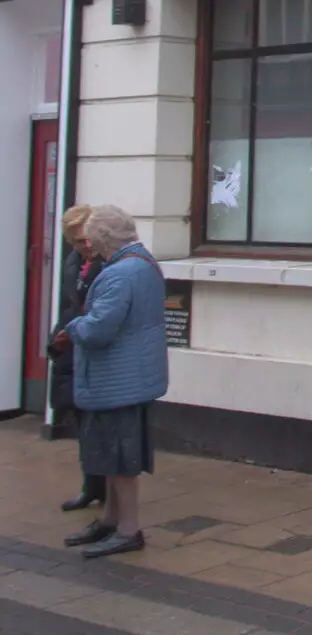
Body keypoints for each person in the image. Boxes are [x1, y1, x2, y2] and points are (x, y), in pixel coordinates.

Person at [59, 206, 169, 559]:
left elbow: (99, 329)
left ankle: (127, 529)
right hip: (132, 375)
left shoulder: (120, 274)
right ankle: (109, 520)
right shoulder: (144, 264)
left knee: (121, 460)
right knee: (112, 455)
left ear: (104, 238)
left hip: (117, 379)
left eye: (91, 236)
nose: (88, 243)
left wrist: (73, 328)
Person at [48, 205, 105, 512]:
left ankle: (105, 488)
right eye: (77, 242)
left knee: (99, 426)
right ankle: (91, 485)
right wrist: (57, 339)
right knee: (81, 422)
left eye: (87, 239)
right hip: (73, 348)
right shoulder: (73, 264)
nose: (85, 246)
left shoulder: (109, 264)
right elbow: (70, 306)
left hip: (97, 350)